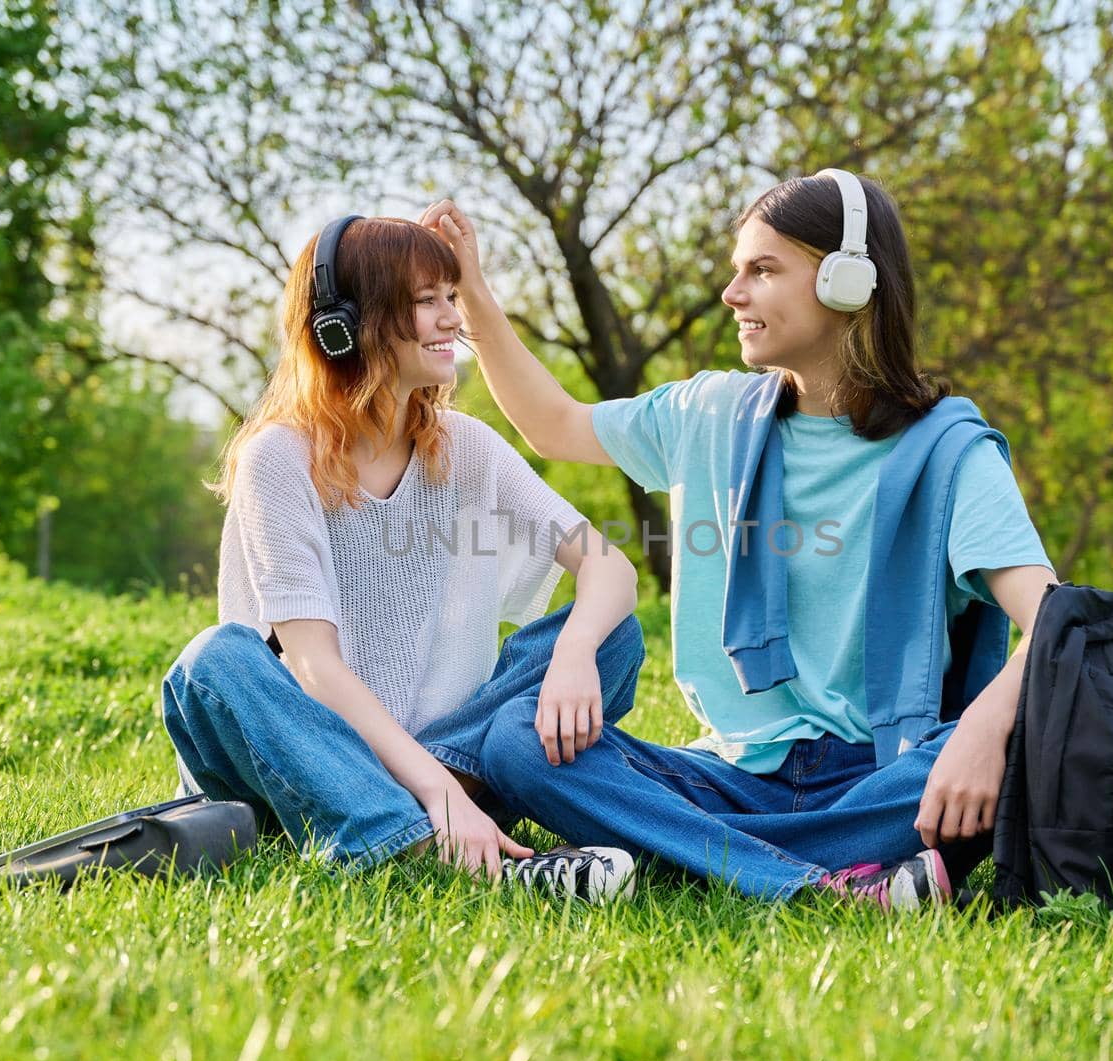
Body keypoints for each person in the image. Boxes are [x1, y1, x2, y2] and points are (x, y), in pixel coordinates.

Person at [420, 169, 1059, 909]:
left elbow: (1052, 623)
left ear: (850, 282)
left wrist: (983, 728)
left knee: (1013, 748)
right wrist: (472, 295)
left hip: (884, 772)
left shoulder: (951, 453)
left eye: (762, 269)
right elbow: (553, 423)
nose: (733, 294)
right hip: (726, 773)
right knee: (514, 741)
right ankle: (826, 885)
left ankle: (686, 850)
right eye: (736, 271)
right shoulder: (707, 415)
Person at [158, 213, 642, 902]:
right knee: (213, 662)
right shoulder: (278, 457)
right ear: (345, 324)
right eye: (427, 301)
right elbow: (312, 666)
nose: (453, 318)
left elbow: (609, 564)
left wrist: (572, 653)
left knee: (609, 634)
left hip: (441, 760)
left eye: (453, 296)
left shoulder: (465, 444)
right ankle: (450, 853)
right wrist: (440, 793)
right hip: (310, 761)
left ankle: (422, 828)